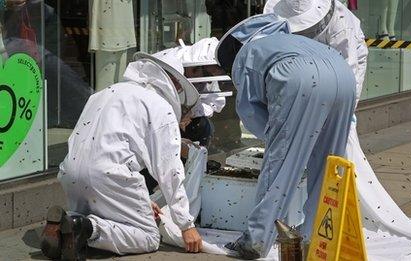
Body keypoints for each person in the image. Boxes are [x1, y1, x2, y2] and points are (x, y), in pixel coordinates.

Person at [216, 13, 356, 259]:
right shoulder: (295, 41)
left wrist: (280, 140)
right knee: (329, 164)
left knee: (280, 166)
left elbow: (251, 112)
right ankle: (318, 235)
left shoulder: (249, 54)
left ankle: (256, 240)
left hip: (300, 77)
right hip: (344, 75)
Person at [40, 52, 203, 260]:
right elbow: (169, 169)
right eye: (179, 86)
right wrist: (186, 225)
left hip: (70, 171)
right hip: (111, 174)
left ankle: (67, 226)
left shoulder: (103, 93)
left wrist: (140, 200)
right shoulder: (159, 106)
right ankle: (86, 228)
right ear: (172, 82)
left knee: (100, 212)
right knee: (148, 236)